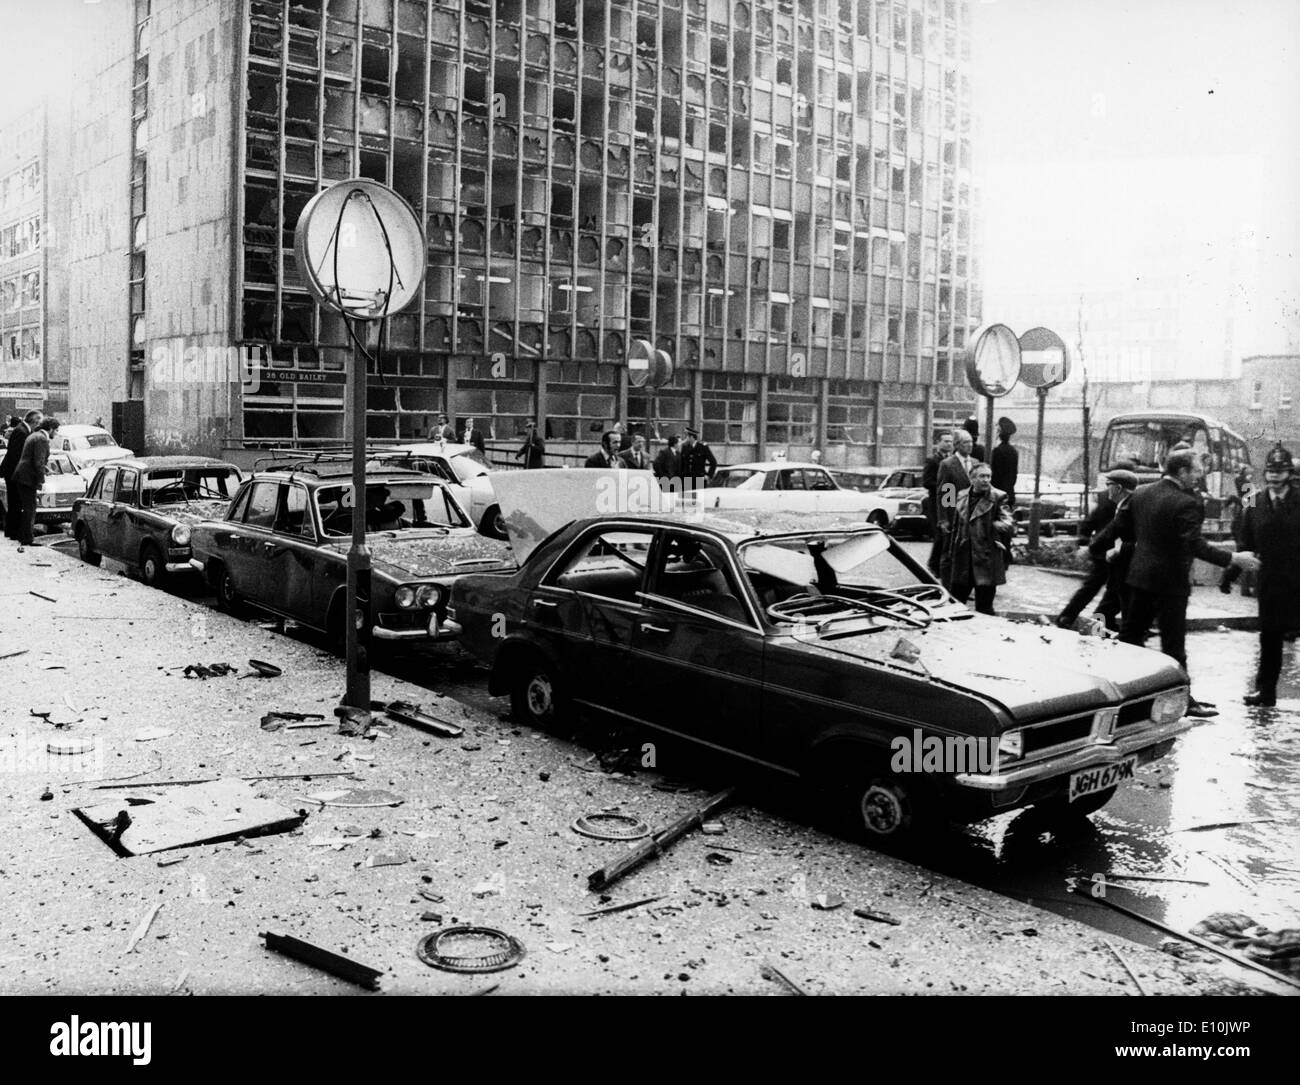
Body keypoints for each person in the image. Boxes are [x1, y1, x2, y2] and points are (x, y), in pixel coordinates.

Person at [1110, 448, 1258, 718]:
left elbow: (1123, 529)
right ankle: (1183, 701)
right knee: (1173, 645)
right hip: (1171, 583)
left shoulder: (1142, 493)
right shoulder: (1187, 502)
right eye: (1197, 471)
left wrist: (1114, 549)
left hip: (1140, 577)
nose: (1200, 476)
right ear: (1182, 472)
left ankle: (1125, 698)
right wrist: (1234, 557)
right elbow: (1193, 545)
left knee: (1131, 637)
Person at [1236, 444, 1300, 706]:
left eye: (1280, 471)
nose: (1274, 476)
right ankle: (1265, 691)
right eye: (1271, 472)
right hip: (1270, 582)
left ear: (1289, 473)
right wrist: (1230, 573)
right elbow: (1245, 542)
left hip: (1299, 580)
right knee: (1269, 638)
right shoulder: (1255, 502)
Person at [1056, 468, 1136, 630]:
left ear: (1119, 487)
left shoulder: (1130, 504)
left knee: (1105, 594)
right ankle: (1098, 625)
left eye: (1109, 484)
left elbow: (1109, 528)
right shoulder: (1115, 500)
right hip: (1108, 554)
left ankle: (1075, 618)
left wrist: (1088, 546)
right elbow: (1104, 527)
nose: (1106, 488)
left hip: (1116, 556)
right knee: (1109, 596)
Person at [940, 461, 1013, 615]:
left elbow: (1008, 521)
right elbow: (955, 527)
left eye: (988, 476)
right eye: (982, 476)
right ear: (972, 479)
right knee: (956, 603)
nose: (986, 480)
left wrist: (997, 525)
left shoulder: (999, 496)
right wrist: (950, 551)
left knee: (985, 606)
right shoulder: (960, 495)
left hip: (985, 557)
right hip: (963, 556)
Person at [934, 430, 978, 585]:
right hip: (954, 515)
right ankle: (947, 584)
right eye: (966, 442)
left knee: (969, 552)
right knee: (949, 552)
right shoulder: (948, 464)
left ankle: (965, 584)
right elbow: (945, 492)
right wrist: (944, 518)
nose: (970, 445)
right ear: (957, 445)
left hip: (972, 516)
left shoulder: (975, 463)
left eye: (971, 442)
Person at [10, 417, 58, 546]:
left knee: (27, 507)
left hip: (23, 475)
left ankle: (24, 536)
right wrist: (41, 481)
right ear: (51, 428)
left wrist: (45, 469)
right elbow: (38, 462)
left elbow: (33, 458)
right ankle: (27, 538)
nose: (56, 433)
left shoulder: (35, 435)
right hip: (27, 477)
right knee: (30, 508)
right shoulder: (42, 439)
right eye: (56, 430)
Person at [1, 409, 41, 540]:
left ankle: (11, 530)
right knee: (15, 502)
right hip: (13, 471)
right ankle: (13, 531)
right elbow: (17, 455)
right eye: (38, 422)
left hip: (12, 471)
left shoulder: (22, 430)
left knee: (15, 502)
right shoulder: (21, 432)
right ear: (34, 421)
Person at [922, 431, 955, 573]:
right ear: (938, 443)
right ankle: (934, 564)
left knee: (948, 533)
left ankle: (943, 564)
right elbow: (927, 482)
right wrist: (943, 486)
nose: (949, 444)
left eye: (950, 441)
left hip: (949, 500)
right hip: (936, 502)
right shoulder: (932, 461)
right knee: (941, 534)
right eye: (946, 441)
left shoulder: (954, 460)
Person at [989, 416, 1019, 510]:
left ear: (999, 433)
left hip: (997, 496)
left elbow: (994, 475)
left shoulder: (997, 451)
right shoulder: (1013, 451)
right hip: (1008, 494)